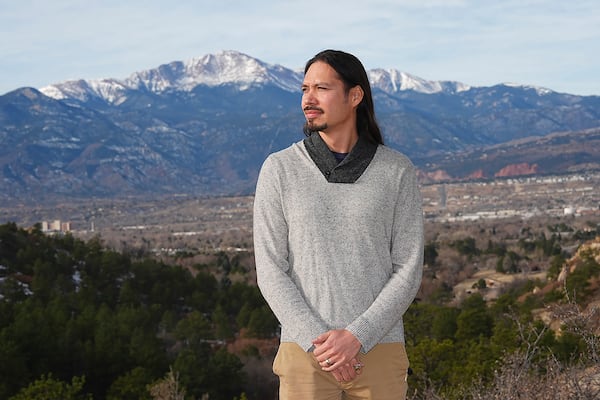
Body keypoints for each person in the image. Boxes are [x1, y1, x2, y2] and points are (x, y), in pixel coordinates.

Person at [253, 49, 424, 400]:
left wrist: (358, 335)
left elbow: (408, 268)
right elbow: (270, 269)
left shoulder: (397, 171)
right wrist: (321, 344)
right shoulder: (280, 169)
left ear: (355, 96)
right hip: (304, 353)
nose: (308, 99)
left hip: (379, 351)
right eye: (304, 89)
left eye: (321, 88)